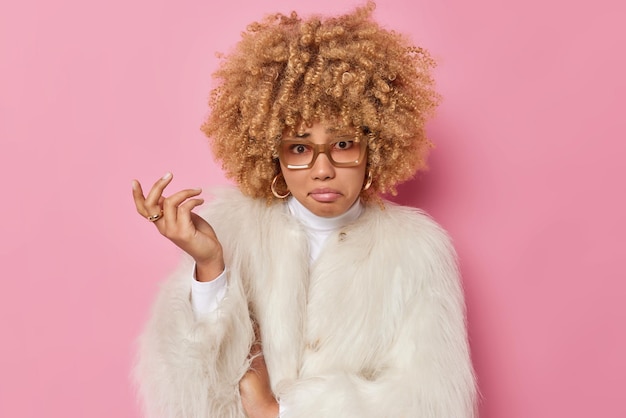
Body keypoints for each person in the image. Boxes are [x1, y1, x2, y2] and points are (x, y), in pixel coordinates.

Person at [132, 3, 477, 417]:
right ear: (271, 154)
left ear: (375, 146)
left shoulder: (417, 250)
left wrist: (281, 412)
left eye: (344, 144)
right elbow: (182, 391)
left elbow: (431, 401)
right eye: (299, 148)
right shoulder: (232, 231)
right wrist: (210, 267)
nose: (323, 169)